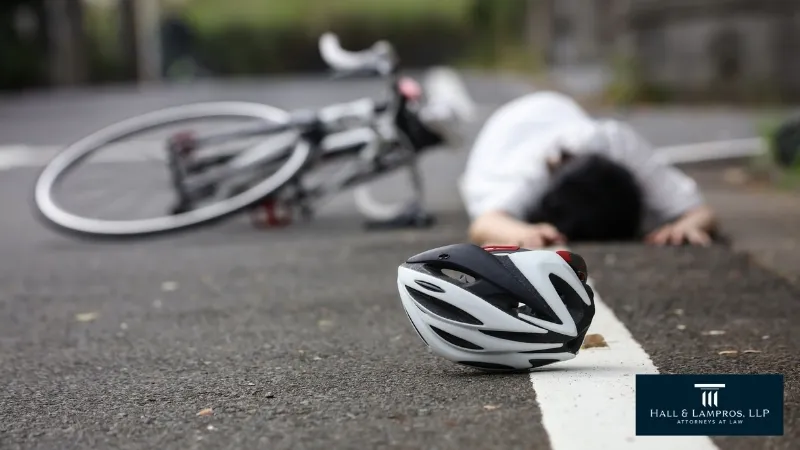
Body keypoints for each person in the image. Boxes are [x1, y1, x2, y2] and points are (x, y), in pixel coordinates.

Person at [459, 91, 717, 248]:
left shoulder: (617, 142)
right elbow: (484, 224)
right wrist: (525, 232)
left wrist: (686, 226)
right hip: (503, 133)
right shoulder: (525, 172)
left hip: (559, 110)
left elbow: (702, 212)